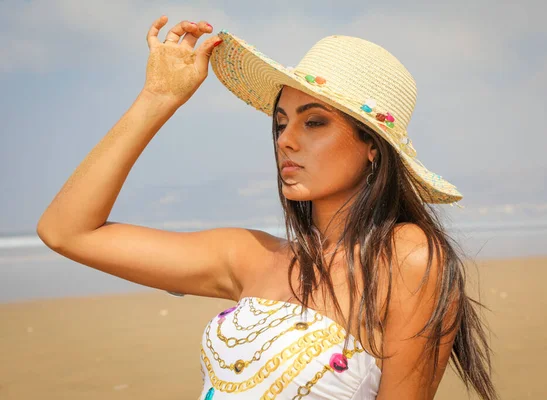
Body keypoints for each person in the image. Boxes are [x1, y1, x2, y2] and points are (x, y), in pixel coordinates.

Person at [37, 15, 498, 400]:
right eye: (280, 124)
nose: (286, 140)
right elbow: (67, 231)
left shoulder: (407, 258)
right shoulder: (249, 257)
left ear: (372, 146)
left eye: (314, 122)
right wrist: (158, 98)